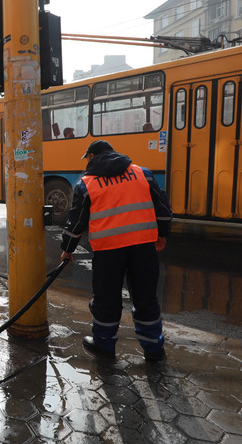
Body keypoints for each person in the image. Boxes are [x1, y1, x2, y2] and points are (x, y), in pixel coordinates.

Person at [59, 140, 172, 362]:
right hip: (143, 248)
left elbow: (76, 223)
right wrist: (162, 233)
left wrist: (67, 250)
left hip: (108, 252)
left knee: (107, 299)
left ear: (91, 157)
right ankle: (154, 350)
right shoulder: (143, 174)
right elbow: (163, 208)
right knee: (146, 298)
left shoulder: (86, 184)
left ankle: (104, 346)